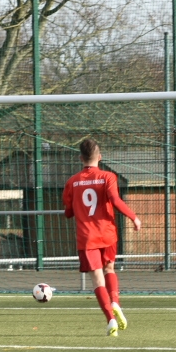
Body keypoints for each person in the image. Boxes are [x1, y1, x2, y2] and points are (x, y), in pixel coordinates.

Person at [62, 138, 142, 336]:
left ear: (80, 158)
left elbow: (69, 212)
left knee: (97, 280)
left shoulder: (72, 181)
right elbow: (115, 200)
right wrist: (133, 217)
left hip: (87, 237)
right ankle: (115, 301)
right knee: (110, 269)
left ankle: (110, 320)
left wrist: (75, 210)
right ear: (100, 157)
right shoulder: (108, 176)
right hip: (107, 233)